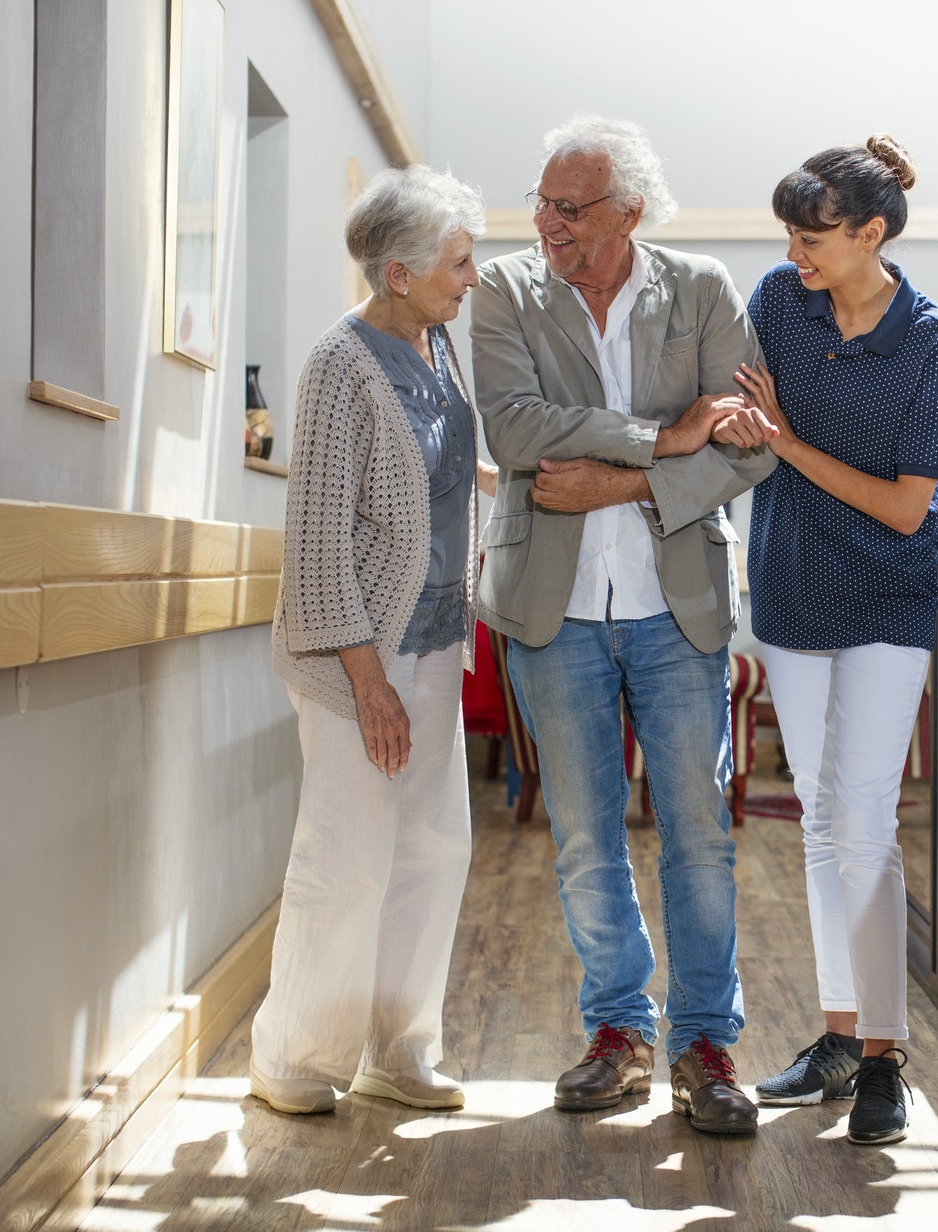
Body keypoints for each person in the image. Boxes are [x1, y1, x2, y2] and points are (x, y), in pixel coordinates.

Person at [472, 116, 778, 1136]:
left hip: (677, 606)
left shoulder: (699, 291)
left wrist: (617, 478)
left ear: (628, 212)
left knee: (698, 835)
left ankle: (703, 1042)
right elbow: (512, 428)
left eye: (570, 207)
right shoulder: (505, 291)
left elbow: (749, 447)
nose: (546, 223)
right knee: (583, 840)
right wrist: (668, 432)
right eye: (542, 202)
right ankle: (616, 1031)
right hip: (550, 612)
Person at [732, 136, 938, 1148]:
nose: (794, 251)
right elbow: (736, 411)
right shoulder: (779, 304)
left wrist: (784, 441)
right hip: (790, 588)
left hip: (888, 595)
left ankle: (884, 1054)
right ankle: (837, 1036)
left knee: (864, 813)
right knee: (822, 820)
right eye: (788, 232)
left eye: (813, 234)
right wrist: (759, 435)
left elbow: (906, 508)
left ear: (871, 233)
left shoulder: (930, 338)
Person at [253, 165, 496, 1116]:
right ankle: (294, 1059)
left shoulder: (437, 348)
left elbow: (421, 464)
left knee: (433, 848)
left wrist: (492, 477)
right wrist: (370, 684)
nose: (472, 276)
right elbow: (316, 543)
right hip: (363, 653)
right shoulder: (339, 365)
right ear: (397, 273)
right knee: (347, 855)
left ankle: (398, 1048)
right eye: (458, 260)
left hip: (435, 639)